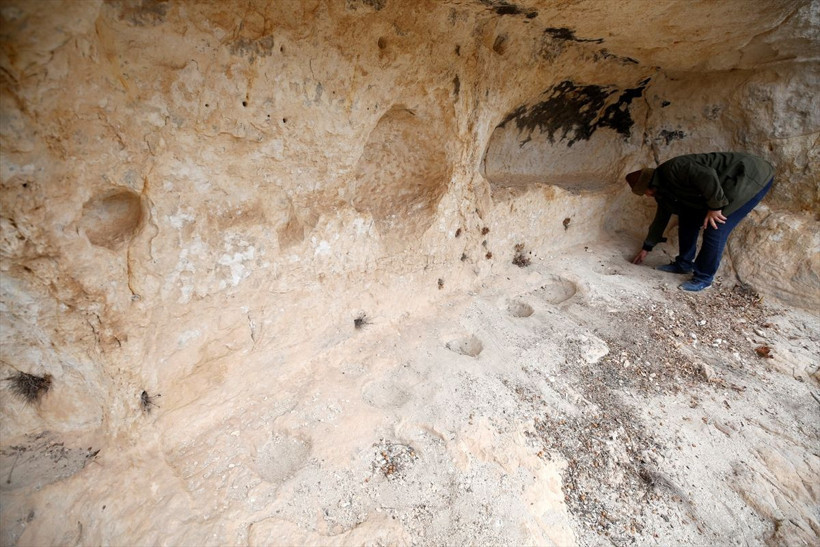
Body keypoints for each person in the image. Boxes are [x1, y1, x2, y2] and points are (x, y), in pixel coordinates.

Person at [627, 152, 774, 292]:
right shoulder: (662, 190)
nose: (646, 196)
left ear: (649, 185)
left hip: (750, 174)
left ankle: (703, 278)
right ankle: (683, 264)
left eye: (644, 192)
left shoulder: (674, 169)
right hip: (726, 183)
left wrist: (715, 207)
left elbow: (708, 176)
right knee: (687, 216)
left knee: (715, 226)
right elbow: (661, 217)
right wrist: (647, 247)